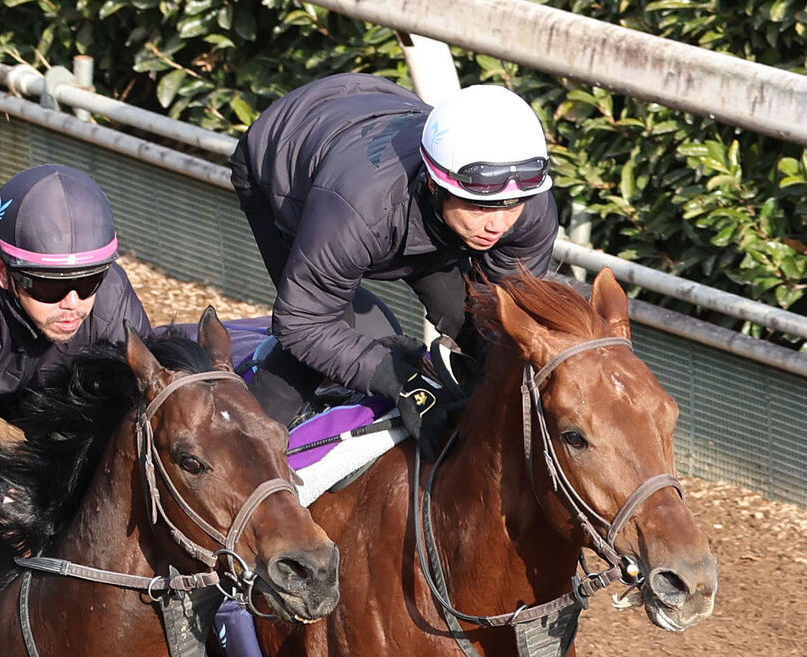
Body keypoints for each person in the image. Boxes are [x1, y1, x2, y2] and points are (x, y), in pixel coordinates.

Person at [228, 73, 559, 434]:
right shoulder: (357, 208)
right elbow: (302, 324)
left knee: (470, 320)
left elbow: (504, 324)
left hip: (395, 160)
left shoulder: (531, 210)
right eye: (480, 207)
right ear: (435, 183)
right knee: (333, 334)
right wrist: (404, 384)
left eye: (511, 207)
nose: (498, 225)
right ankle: (241, 441)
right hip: (293, 155)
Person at [0, 163, 151, 536]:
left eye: (88, 280)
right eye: (49, 287)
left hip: (7, 348)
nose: (72, 303)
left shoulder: (111, 300)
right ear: (5, 273)